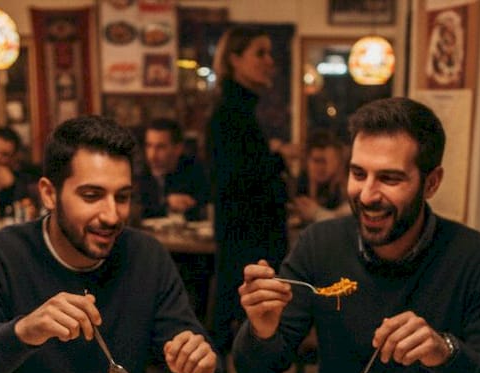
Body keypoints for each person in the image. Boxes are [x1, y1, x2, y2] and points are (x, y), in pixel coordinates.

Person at [233, 97, 480, 373]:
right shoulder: (320, 244)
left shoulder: (478, 259)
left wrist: (445, 352)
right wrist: (261, 329)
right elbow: (254, 371)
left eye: (389, 179)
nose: (368, 195)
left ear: (431, 183)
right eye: (358, 174)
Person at [0, 115, 218, 373]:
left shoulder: (147, 255)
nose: (112, 215)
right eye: (92, 196)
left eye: (123, 197)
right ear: (49, 194)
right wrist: (23, 332)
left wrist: (199, 366)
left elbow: (199, 369)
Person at [207, 25, 289, 352]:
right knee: (230, 325)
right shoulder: (230, 115)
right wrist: (278, 161)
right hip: (245, 241)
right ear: (234, 59)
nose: (270, 61)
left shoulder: (241, 110)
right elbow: (239, 183)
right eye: (260, 53)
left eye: (270, 53)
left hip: (245, 239)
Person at [136, 118, 208, 222]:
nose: (152, 155)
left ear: (178, 149)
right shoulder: (138, 172)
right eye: (149, 146)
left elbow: (207, 207)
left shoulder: (195, 170)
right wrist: (166, 204)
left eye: (160, 147)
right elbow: (135, 211)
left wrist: (192, 205)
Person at [292, 129, 348, 225]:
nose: (321, 167)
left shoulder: (347, 191)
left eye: (327, 161)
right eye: (317, 161)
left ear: (338, 161)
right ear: (307, 161)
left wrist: (315, 213)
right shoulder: (298, 185)